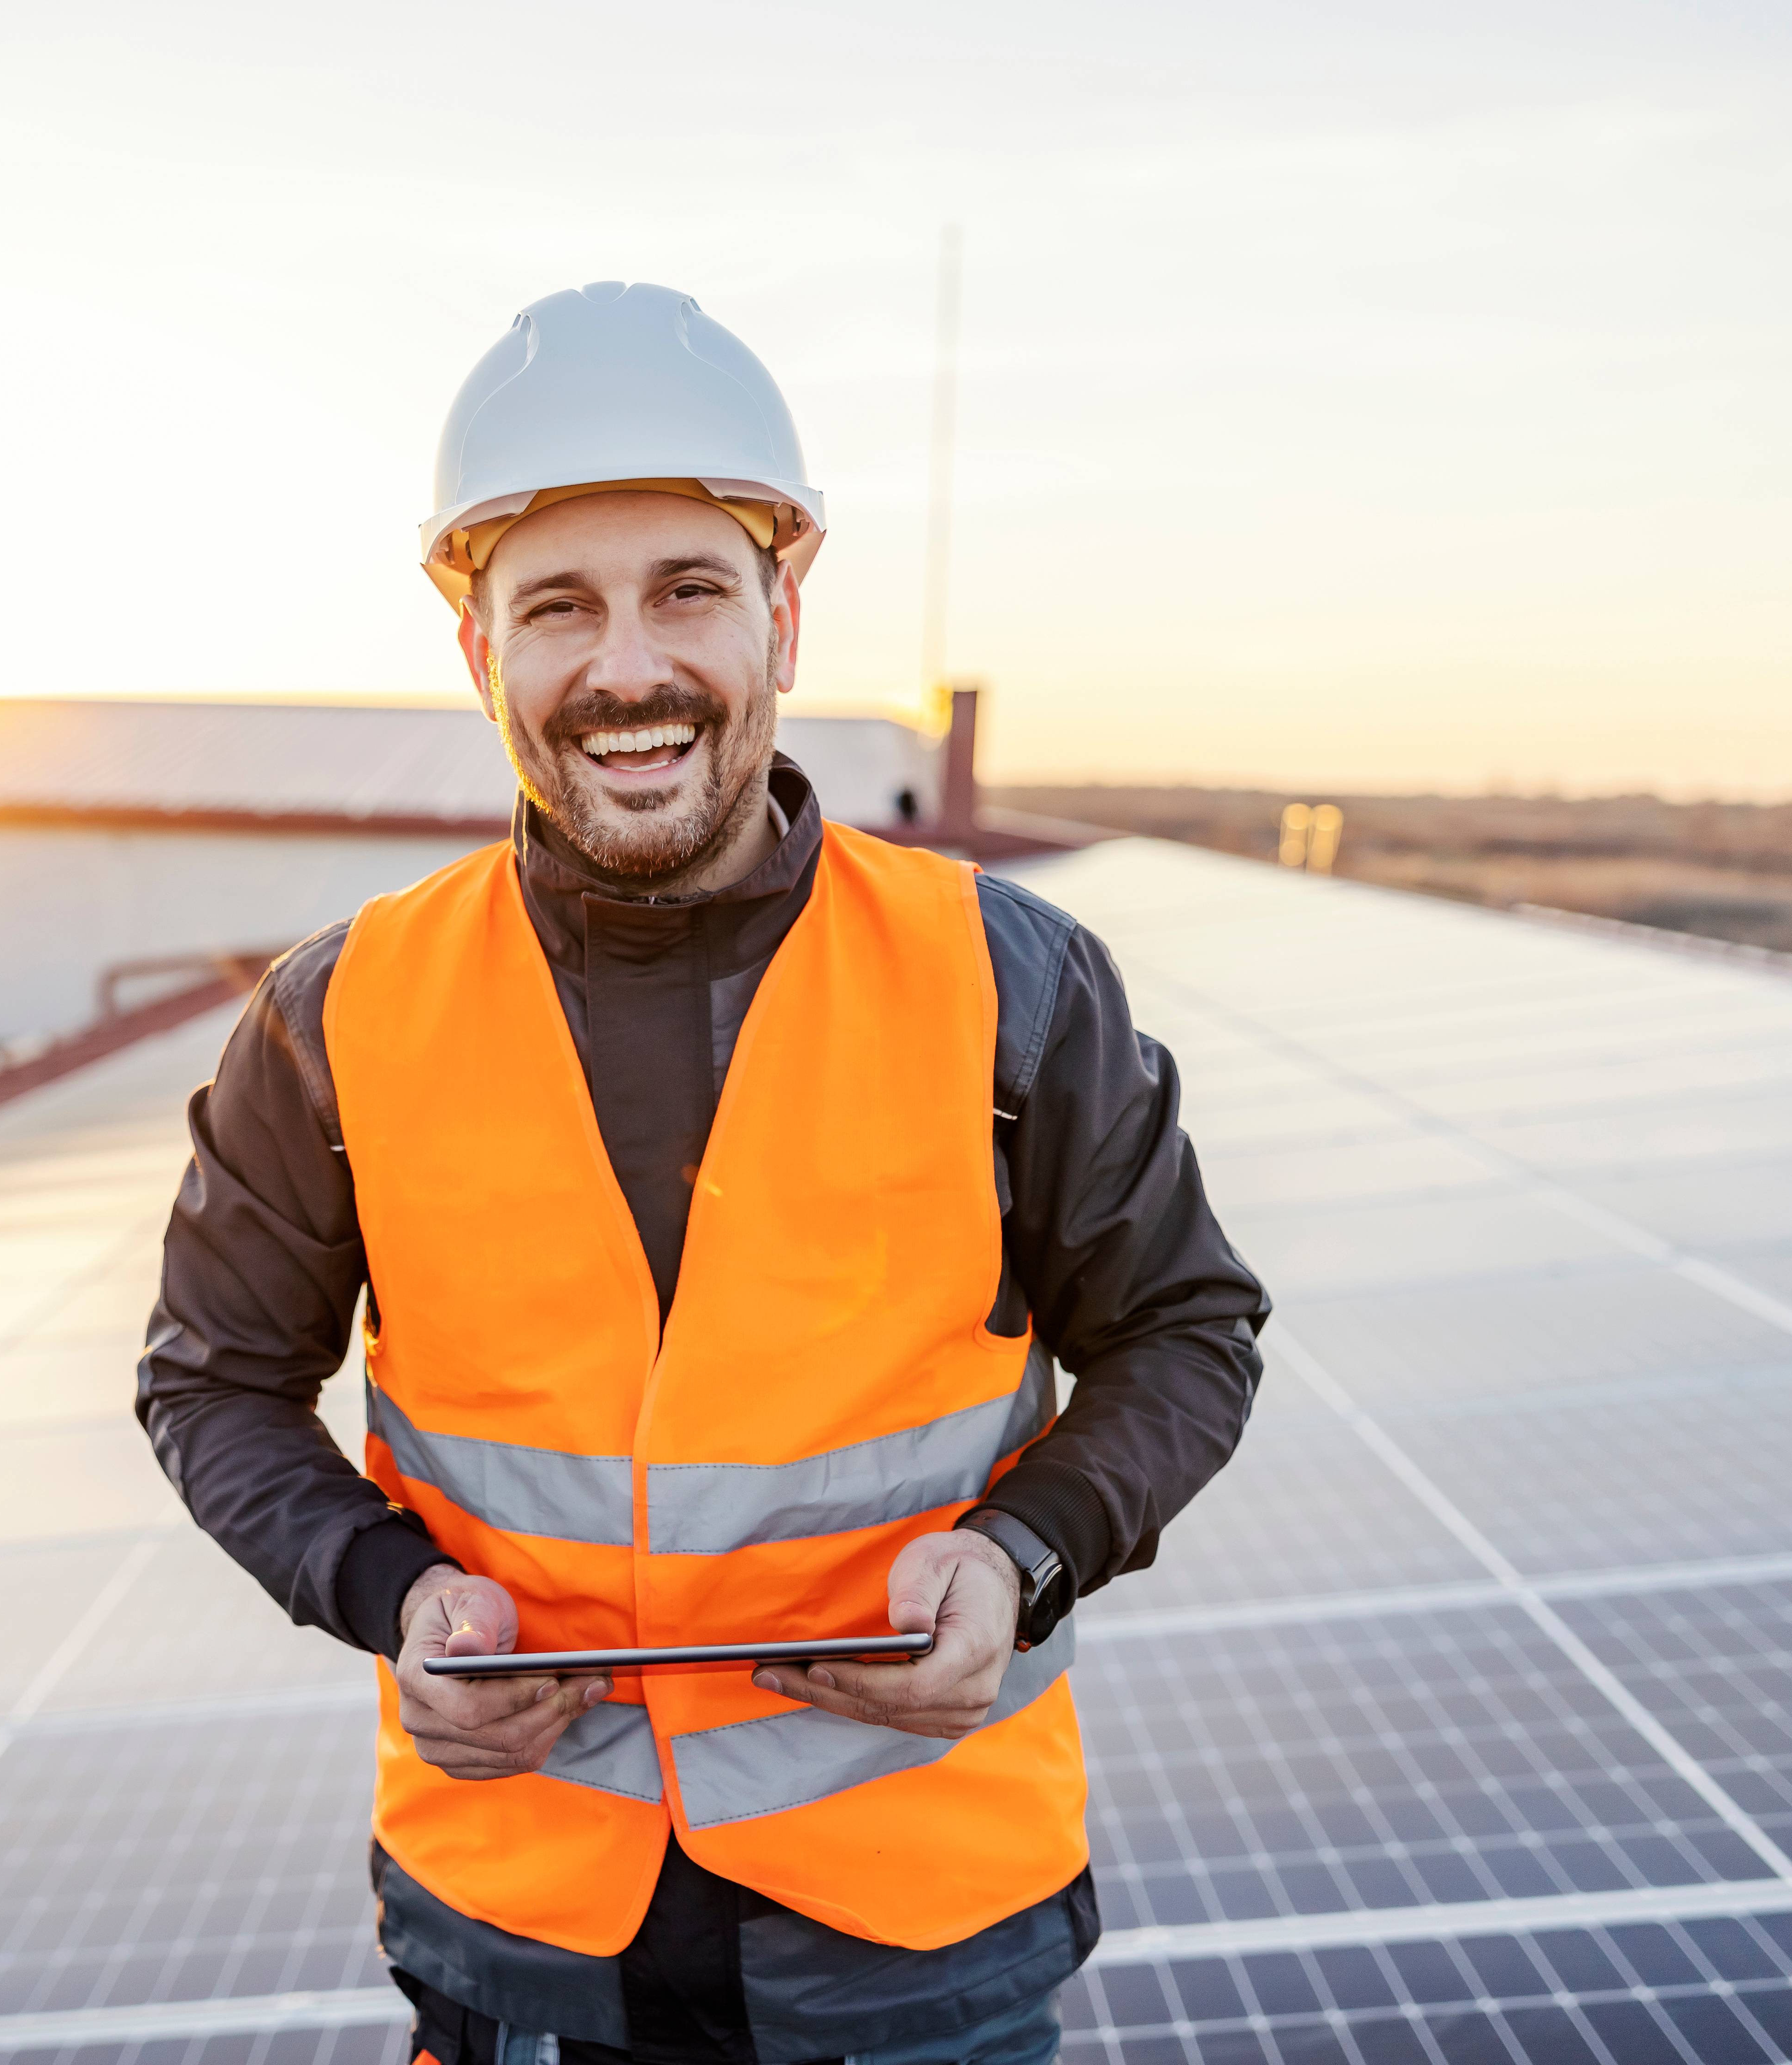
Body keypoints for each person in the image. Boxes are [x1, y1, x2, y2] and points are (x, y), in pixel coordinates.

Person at [139, 282, 1267, 2065]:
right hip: (520, 1934)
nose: (628, 671)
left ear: (784, 620)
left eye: (689, 591)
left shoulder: (1011, 981)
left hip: (913, 1937)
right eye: (558, 607)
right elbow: (211, 1385)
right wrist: (388, 1594)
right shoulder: (335, 1020)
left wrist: (1021, 1562)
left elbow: (1187, 1335)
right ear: (479, 654)